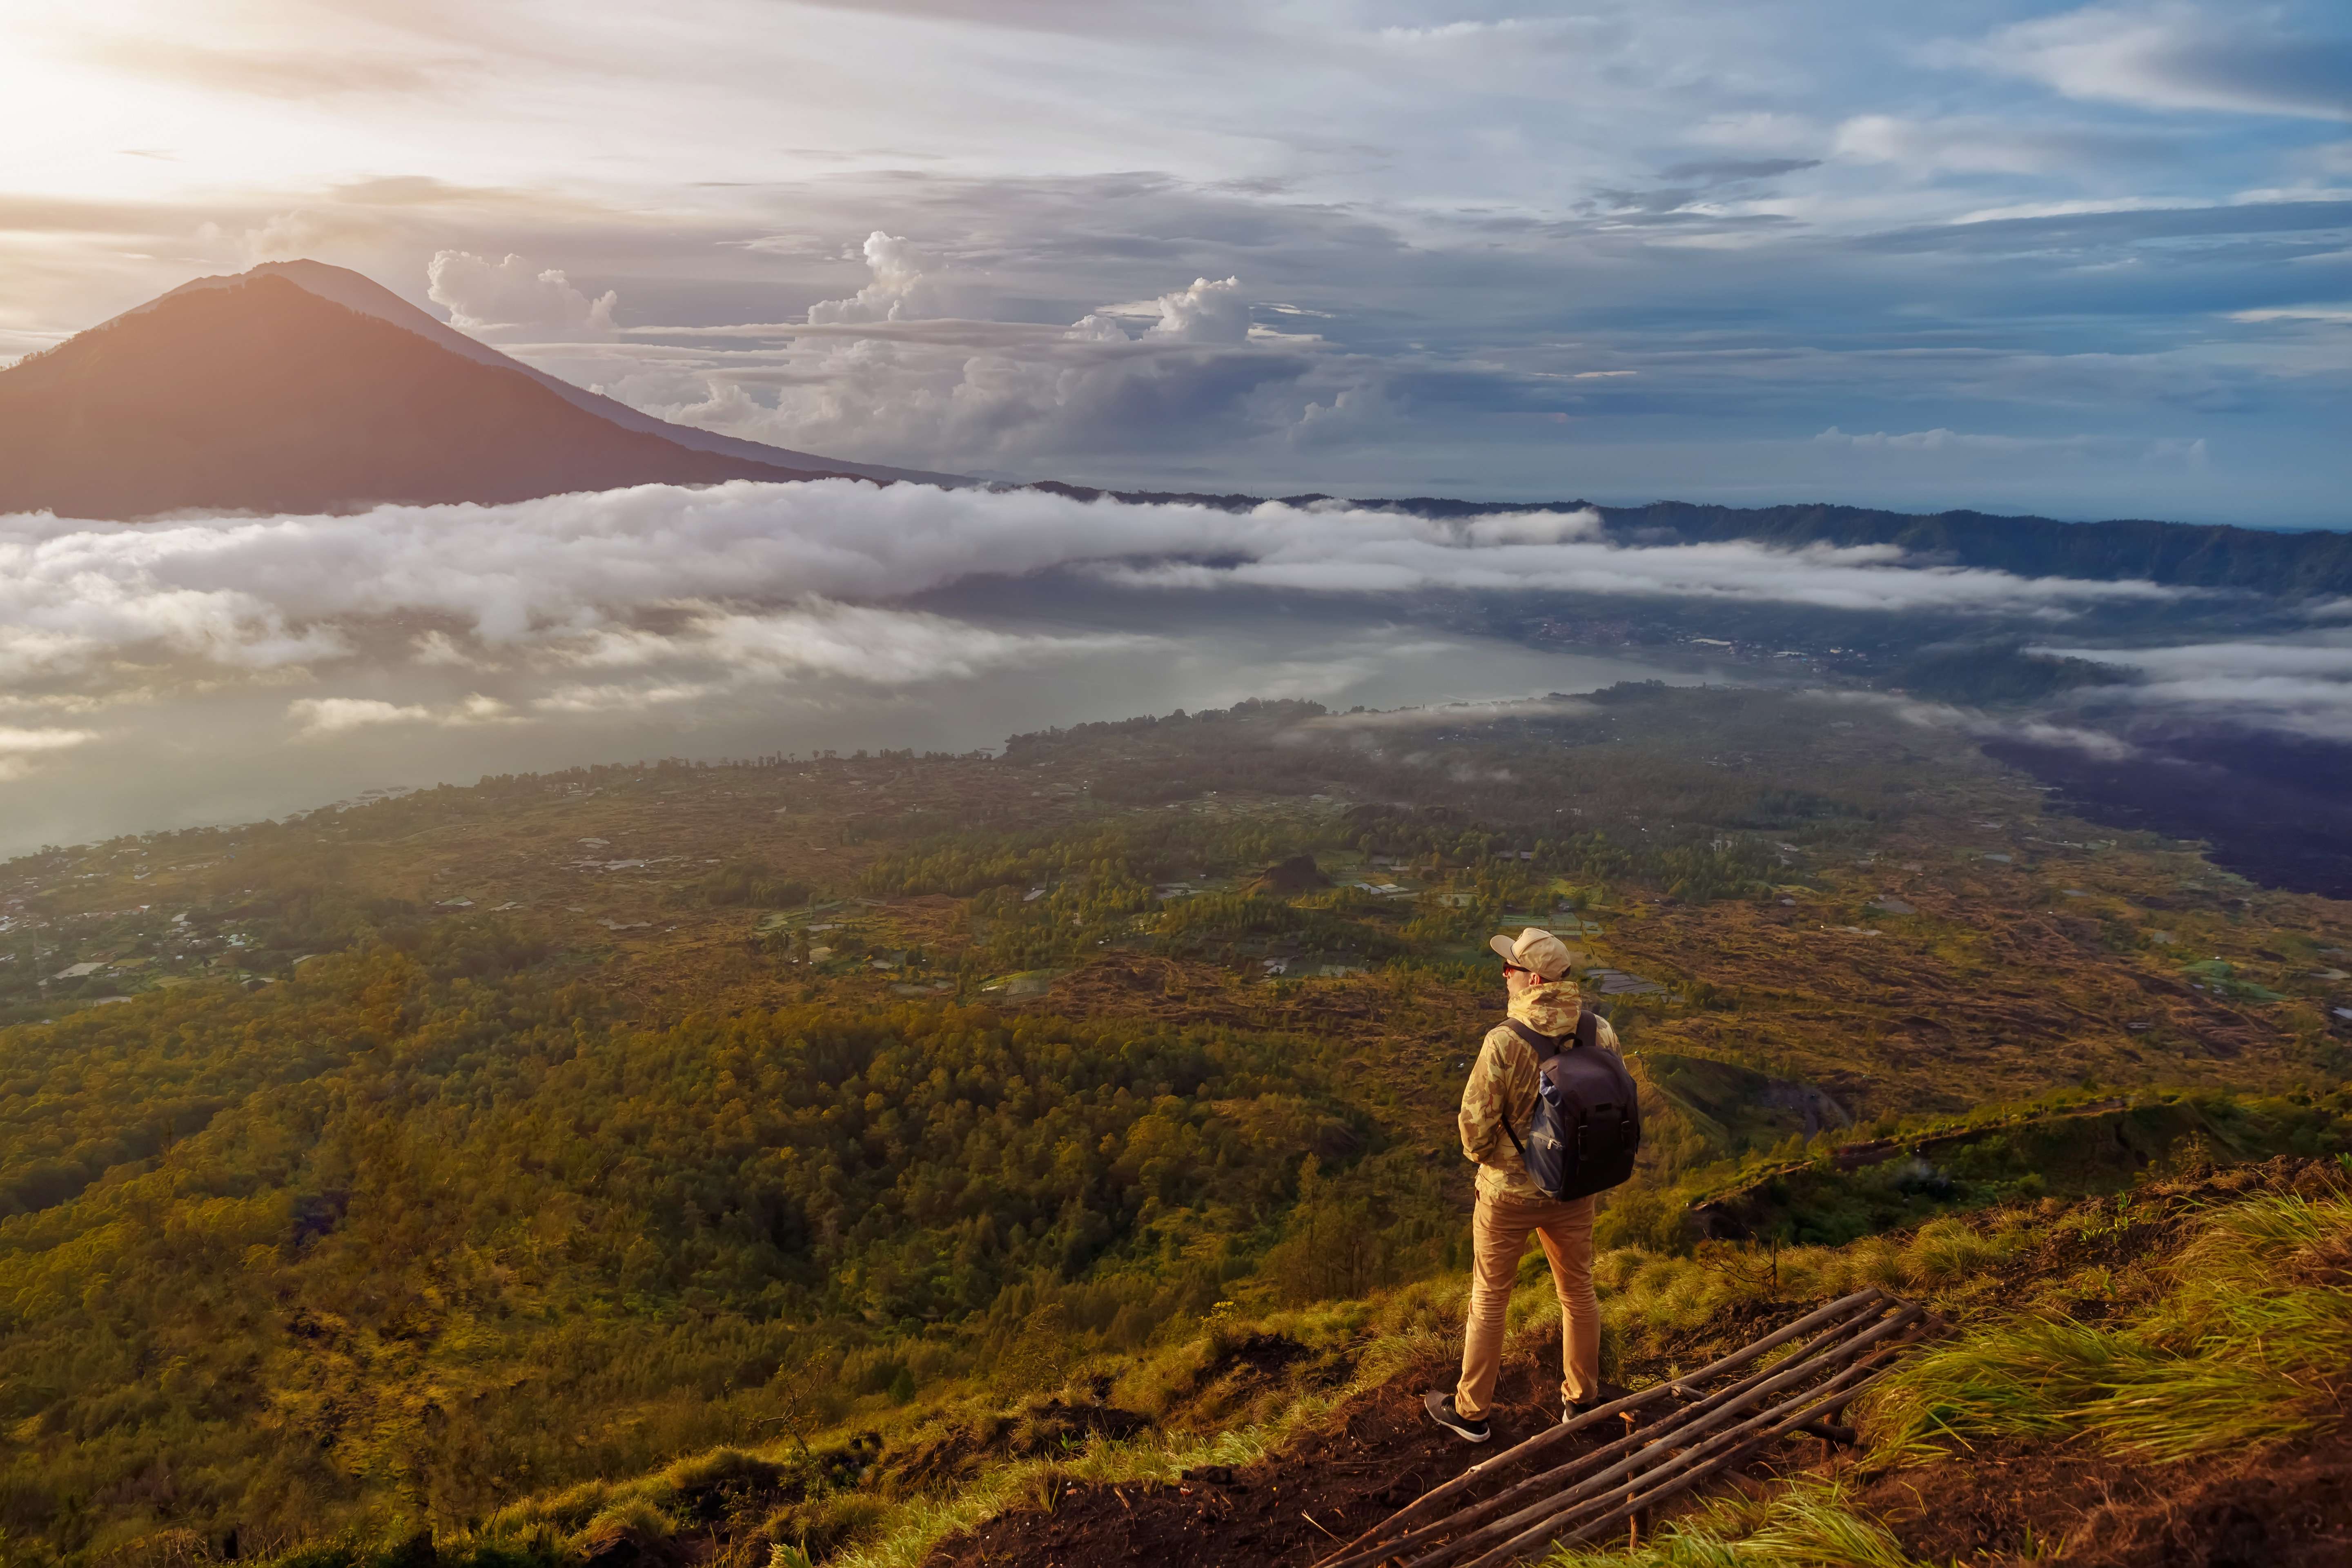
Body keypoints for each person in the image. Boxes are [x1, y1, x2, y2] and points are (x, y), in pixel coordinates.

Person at [1425, 926, 1626, 1443]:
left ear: (1532, 978)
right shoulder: (1599, 1032)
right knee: (1578, 1292)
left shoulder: (1505, 1041)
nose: (1504, 976)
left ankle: (1472, 1413)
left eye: (1509, 968)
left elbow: (1473, 1129)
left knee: (1490, 1297)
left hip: (1508, 1195)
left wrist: (1496, 1163)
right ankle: (1581, 1401)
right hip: (1575, 1189)